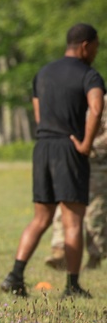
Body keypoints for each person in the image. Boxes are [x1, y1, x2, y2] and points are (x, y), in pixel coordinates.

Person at [1, 23, 104, 298]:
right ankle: (72, 286)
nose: (96, 51)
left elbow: (38, 115)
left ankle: (15, 276)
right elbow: (96, 107)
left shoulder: (43, 73)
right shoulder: (90, 75)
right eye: (95, 46)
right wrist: (85, 144)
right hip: (69, 149)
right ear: (85, 45)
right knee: (72, 222)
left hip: (43, 147)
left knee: (40, 218)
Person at [44, 93, 107, 271]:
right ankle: (60, 250)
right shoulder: (69, 100)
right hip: (71, 161)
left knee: (96, 211)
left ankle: (95, 256)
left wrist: (87, 146)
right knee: (63, 204)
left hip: (97, 163)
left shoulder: (104, 102)